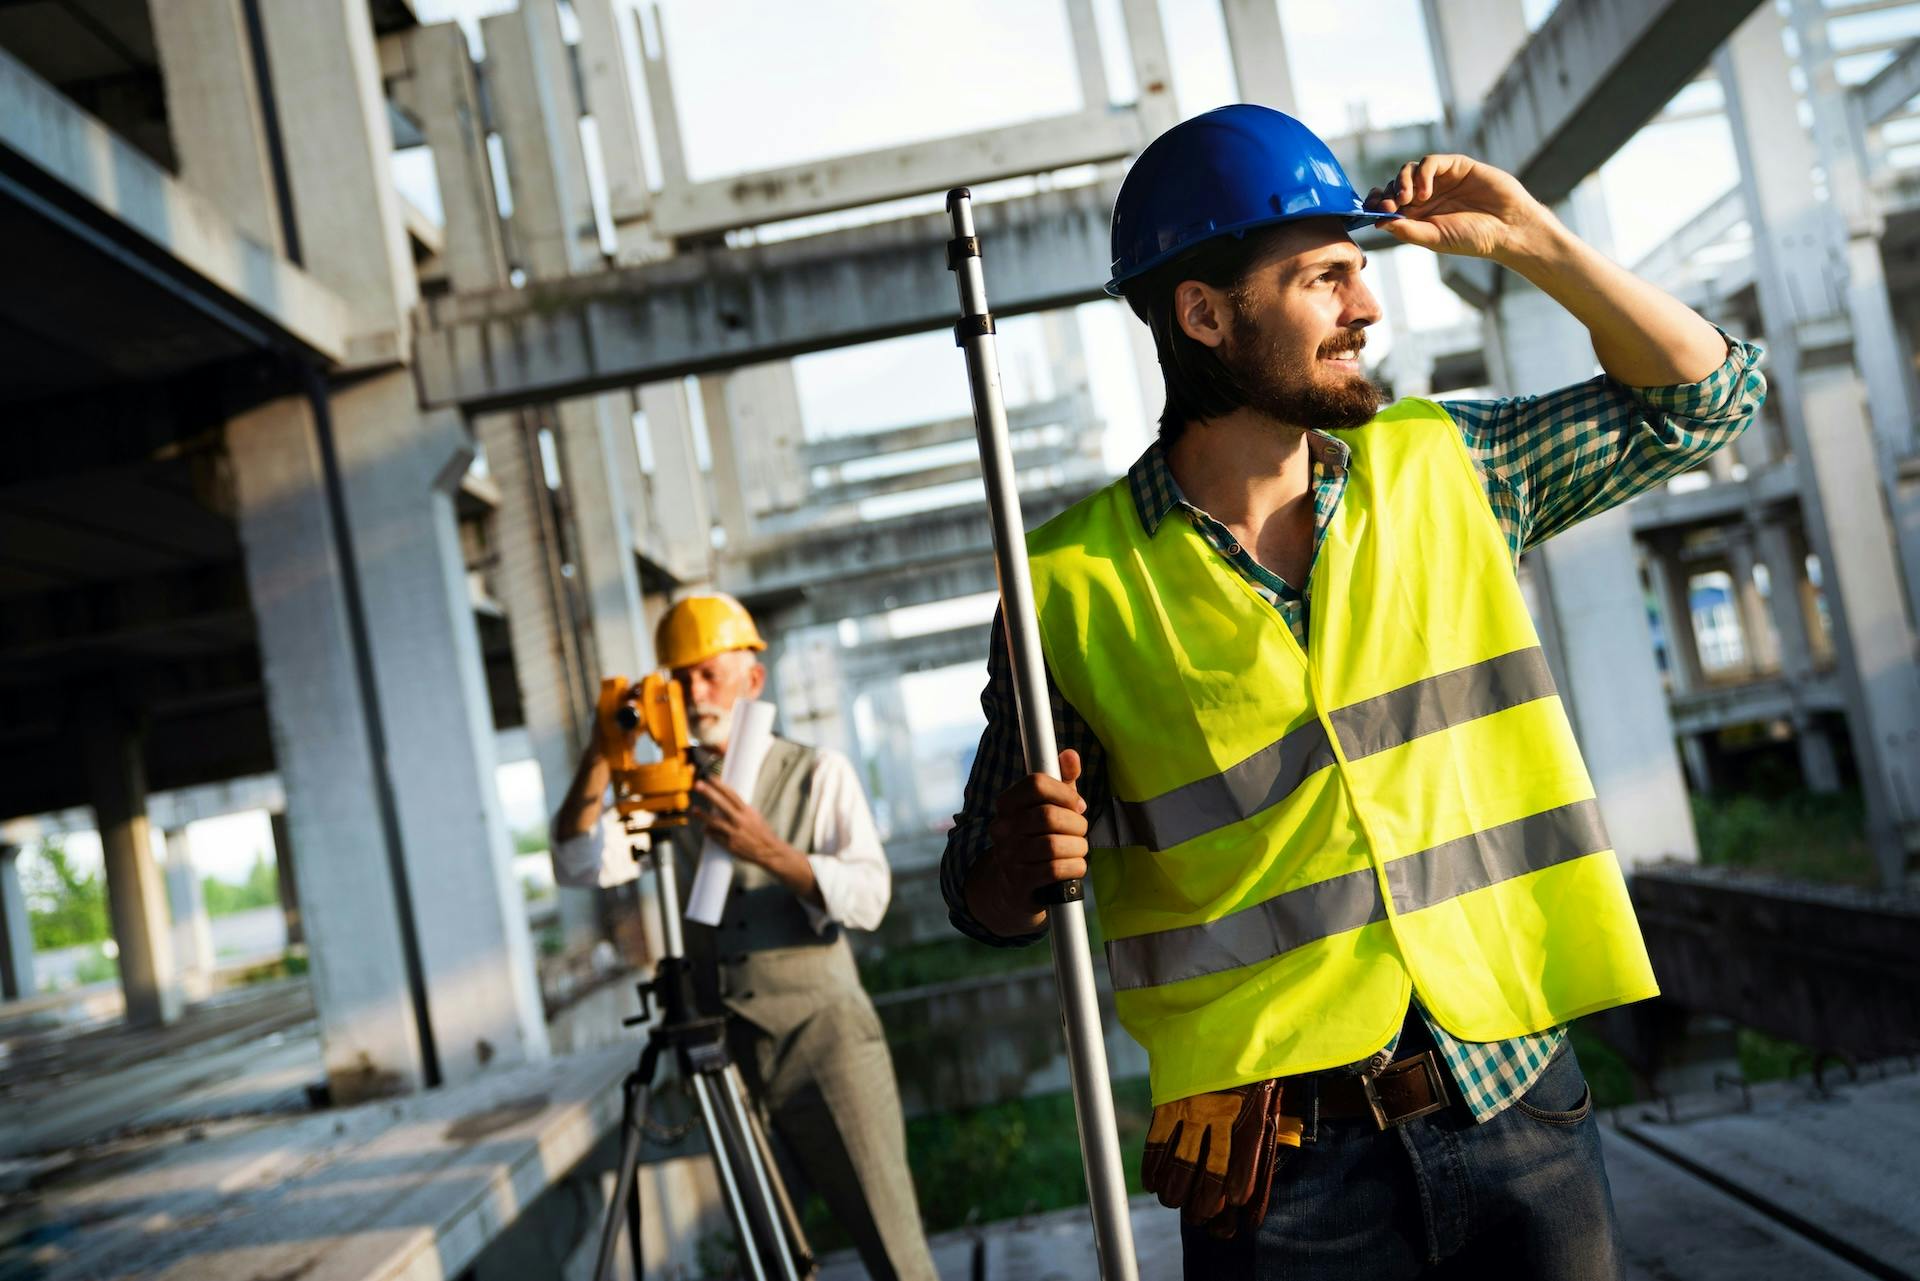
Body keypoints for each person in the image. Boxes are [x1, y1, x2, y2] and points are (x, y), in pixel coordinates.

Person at [941, 104, 1766, 1279]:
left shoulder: (1450, 467)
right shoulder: (1064, 588)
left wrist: (1533, 240)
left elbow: (1711, 398)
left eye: (1359, 273)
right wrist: (1021, 866)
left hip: (1517, 1099)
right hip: (1277, 1166)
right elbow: (981, 897)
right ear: (1205, 315)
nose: (1367, 307)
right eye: (1325, 278)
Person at [552, 592, 937, 1281]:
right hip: (724, 1055)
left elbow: (870, 897)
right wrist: (602, 755)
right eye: (679, 679)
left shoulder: (817, 771)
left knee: (895, 1253)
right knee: (772, 1260)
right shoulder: (666, 792)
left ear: (753, 679)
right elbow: (576, 861)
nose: (694, 693)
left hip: (826, 1043)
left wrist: (773, 853)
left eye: (709, 674)